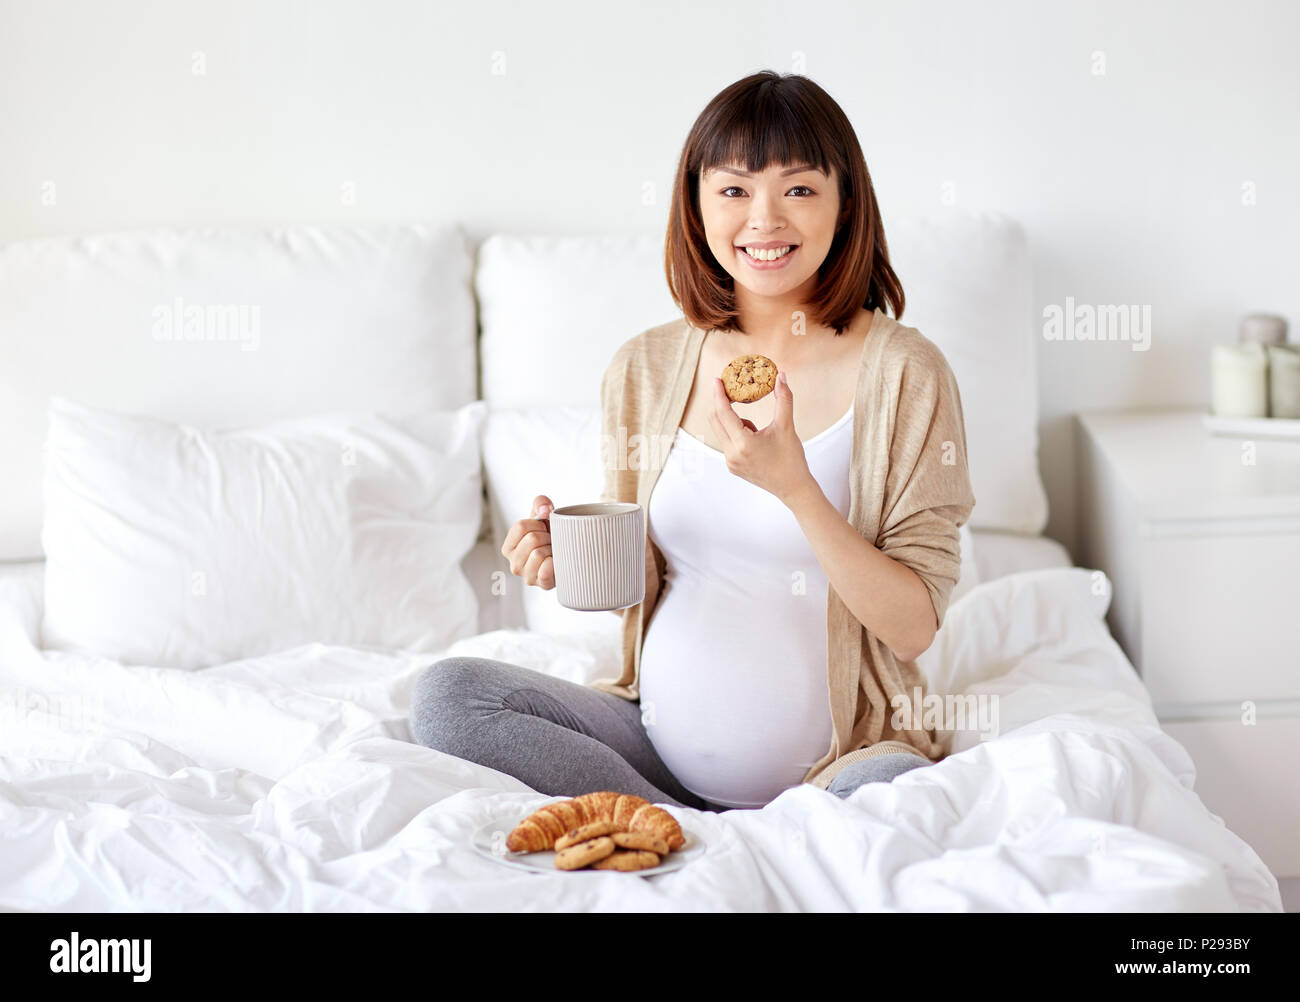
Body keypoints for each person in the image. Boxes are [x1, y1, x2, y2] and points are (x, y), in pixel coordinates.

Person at [409, 70, 975, 811]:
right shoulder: (644, 367)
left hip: (841, 766)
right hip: (654, 750)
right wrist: (571, 557)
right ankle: (668, 820)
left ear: (846, 202)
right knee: (448, 696)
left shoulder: (907, 373)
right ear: (696, 204)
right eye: (734, 189)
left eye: (799, 189)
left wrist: (796, 489)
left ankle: (704, 834)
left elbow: (912, 630)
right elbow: (641, 591)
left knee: (893, 793)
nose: (764, 220)